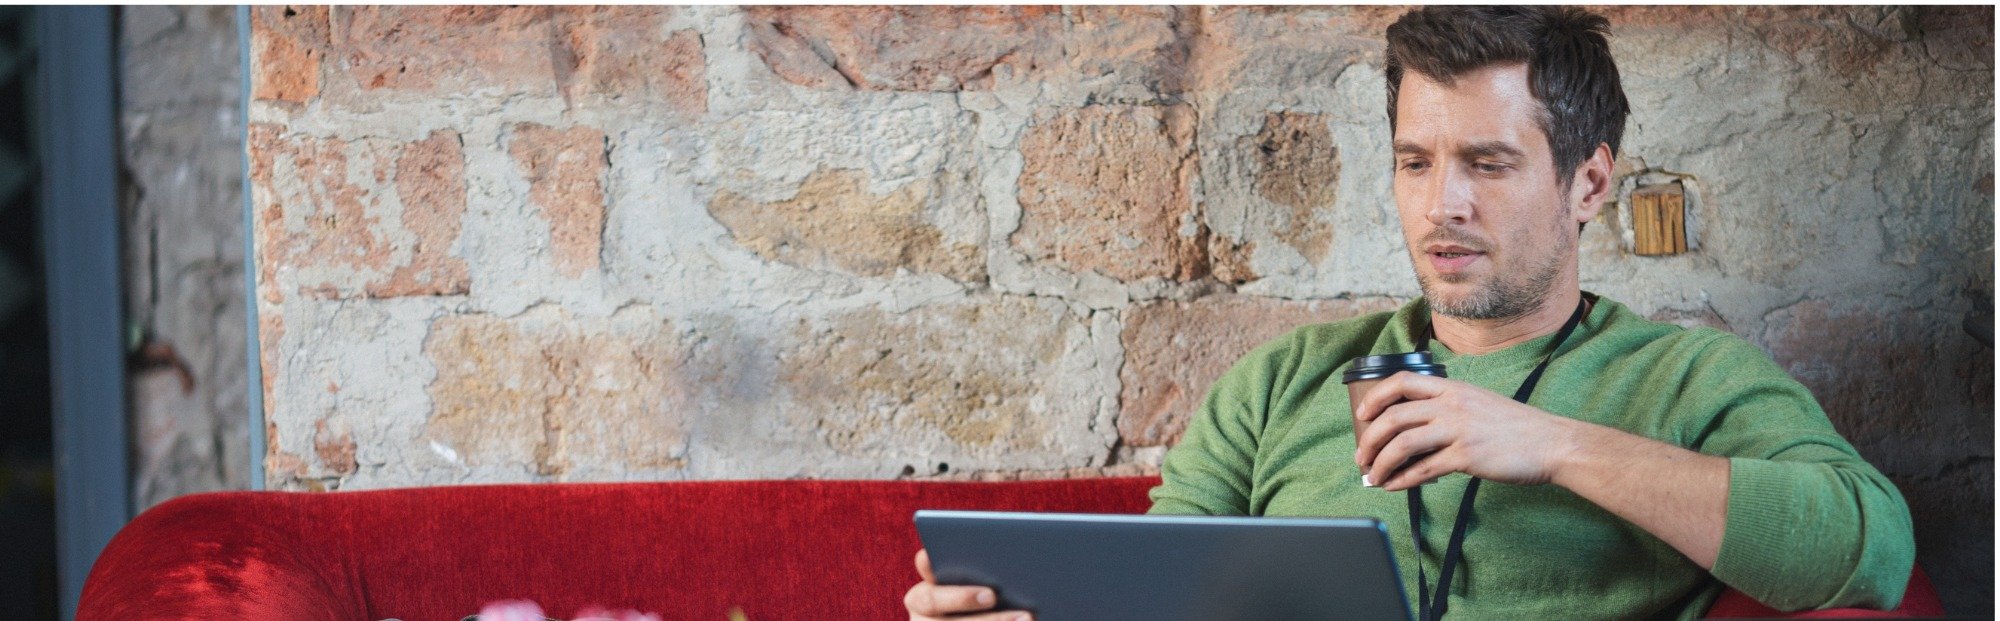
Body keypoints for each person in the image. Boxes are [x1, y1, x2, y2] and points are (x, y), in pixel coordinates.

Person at [904, 6, 1915, 620]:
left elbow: (1865, 551)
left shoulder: (1687, 380)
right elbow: (1158, 589)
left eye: (1486, 163)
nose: (1443, 206)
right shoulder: (1278, 384)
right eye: (1414, 162)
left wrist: (1549, 444)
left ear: (1588, 184)